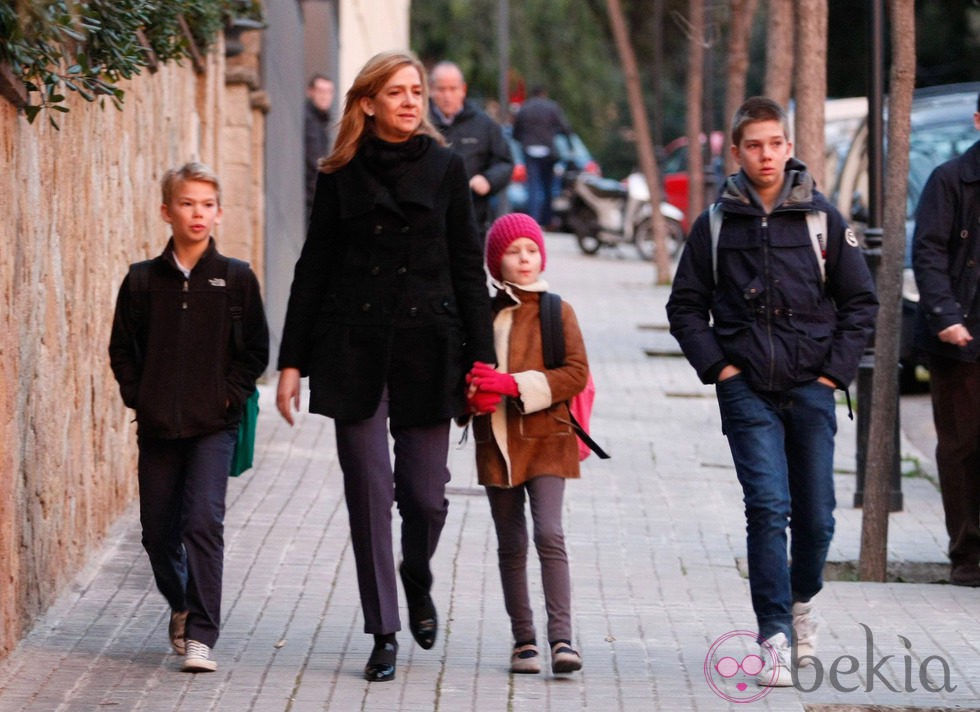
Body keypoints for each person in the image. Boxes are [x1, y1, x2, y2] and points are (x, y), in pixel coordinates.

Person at [275, 50, 495, 683]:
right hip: (354, 350)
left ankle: (416, 575)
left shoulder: (448, 168)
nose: (409, 100)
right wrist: (291, 362)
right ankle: (384, 629)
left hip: (431, 349)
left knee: (425, 499)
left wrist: (483, 364)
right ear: (367, 102)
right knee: (369, 494)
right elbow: (312, 268)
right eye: (395, 91)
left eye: (416, 90)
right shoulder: (340, 174)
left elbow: (467, 269)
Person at [666, 97, 877, 687]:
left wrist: (833, 376)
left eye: (775, 143)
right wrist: (721, 372)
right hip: (747, 391)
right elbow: (684, 307)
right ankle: (775, 635)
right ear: (737, 152)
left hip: (812, 389)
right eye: (754, 145)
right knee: (767, 508)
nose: (766, 155)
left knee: (816, 522)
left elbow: (861, 305)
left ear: (789, 147)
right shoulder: (714, 224)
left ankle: (802, 602)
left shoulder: (823, 220)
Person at [108, 162, 270, 673]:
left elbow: (256, 352)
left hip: (213, 427)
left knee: (202, 521)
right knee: (158, 534)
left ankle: (202, 633)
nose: (197, 213)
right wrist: (142, 396)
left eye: (206, 204)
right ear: (166, 211)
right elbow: (121, 350)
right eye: (186, 203)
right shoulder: (140, 281)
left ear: (218, 212)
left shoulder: (236, 278)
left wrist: (229, 397)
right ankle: (180, 604)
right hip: (157, 427)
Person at [465, 212, 588, 676]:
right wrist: (471, 398)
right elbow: (466, 377)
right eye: (514, 251)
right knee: (511, 542)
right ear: (497, 260)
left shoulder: (558, 310)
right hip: (495, 442)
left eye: (531, 250)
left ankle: (562, 639)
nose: (524, 258)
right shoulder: (482, 314)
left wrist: (514, 384)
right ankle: (524, 642)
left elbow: (575, 373)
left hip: (548, 439)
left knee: (549, 534)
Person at [911, 93, 980, 588]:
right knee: (962, 447)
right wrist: (947, 317)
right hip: (961, 336)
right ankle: (968, 556)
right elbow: (928, 253)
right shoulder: (950, 180)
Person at [428, 61, 513, 239]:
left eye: (453, 89)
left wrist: (488, 180)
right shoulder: (419, 122)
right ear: (431, 89)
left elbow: (505, 162)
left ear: (463, 89)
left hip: (472, 219)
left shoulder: (484, 124)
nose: (447, 95)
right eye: (441, 89)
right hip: (428, 220)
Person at [512, 86, 571, 228]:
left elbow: (516, 132)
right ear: (544, 94)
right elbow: (565, 127)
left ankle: (533, 221)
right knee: (547, 187)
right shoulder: (552, 107)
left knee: (532, 187)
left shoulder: (524, 108)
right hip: (548, 151)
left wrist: (524, 141)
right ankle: (547, 220)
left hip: (530, 150)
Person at [305, 73, 335, 215]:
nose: (325, 96)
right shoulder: (308, 120)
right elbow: (314, 159)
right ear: (310, 92)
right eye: (321, 91)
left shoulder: (322, 121)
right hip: (308, 195)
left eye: (329, 92)